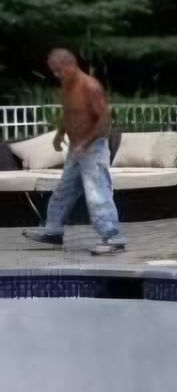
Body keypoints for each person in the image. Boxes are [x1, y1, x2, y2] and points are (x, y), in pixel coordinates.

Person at [20, 49, 127, 256]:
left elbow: (105, 121)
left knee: (97, 193)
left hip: (93, 148)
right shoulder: (67, 86)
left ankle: (113, 237)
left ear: (70, 65)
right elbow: (69, 112)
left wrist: (85, 143)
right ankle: (53, 230)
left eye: (59, 70)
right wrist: (60, 134)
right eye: (54, 71)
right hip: (76, 149)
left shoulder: (90, 86)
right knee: (64, 190)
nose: (56, 75)